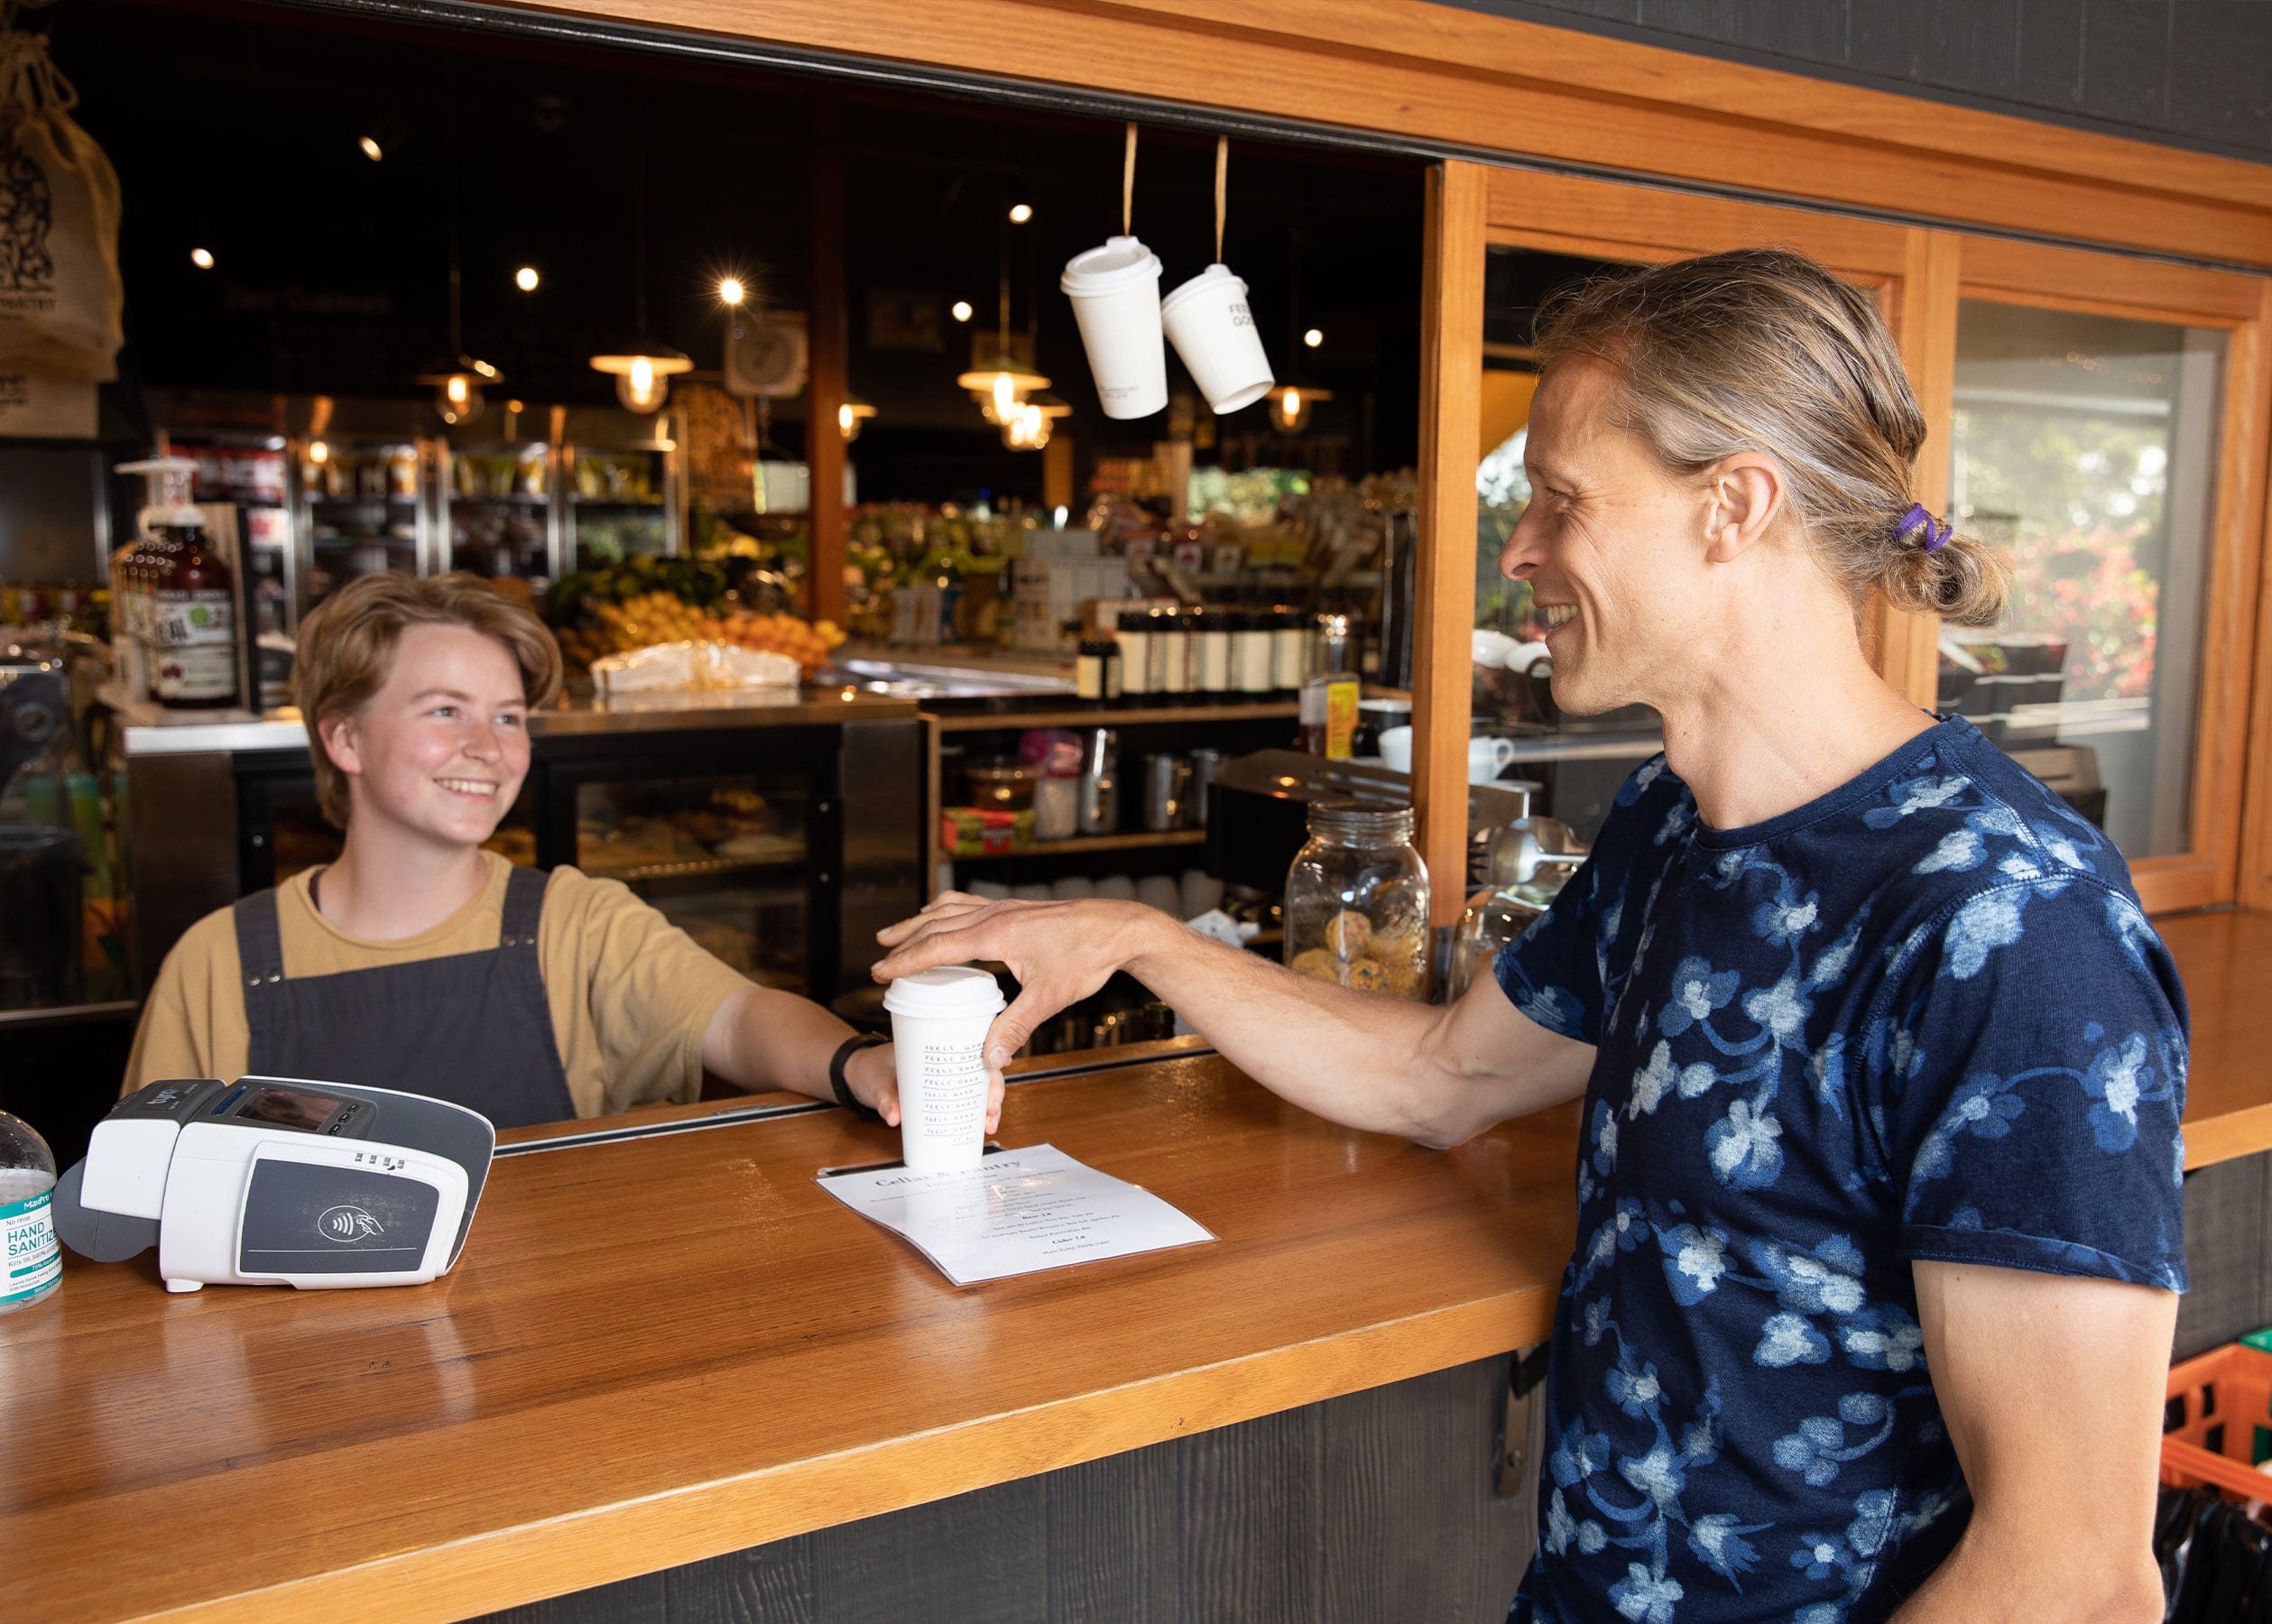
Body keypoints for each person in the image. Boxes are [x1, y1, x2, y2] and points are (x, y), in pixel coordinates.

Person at [872, 250, 2184, 1622]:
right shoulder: (1670, 824)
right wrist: (1136, 936)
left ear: (1732, 505)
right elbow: (1442, 1077)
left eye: (1560, 500)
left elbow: (2074, 1576)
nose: (1518, 552)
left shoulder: (2009, 924)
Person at [125, 571, 987, 1138]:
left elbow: (735, 1016)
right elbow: (143, 1202)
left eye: (508, 716)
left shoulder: (574, 920)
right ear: (344, 737)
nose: (490, 747)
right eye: (443, 711)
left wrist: (860, 1063)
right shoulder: (217, 964)